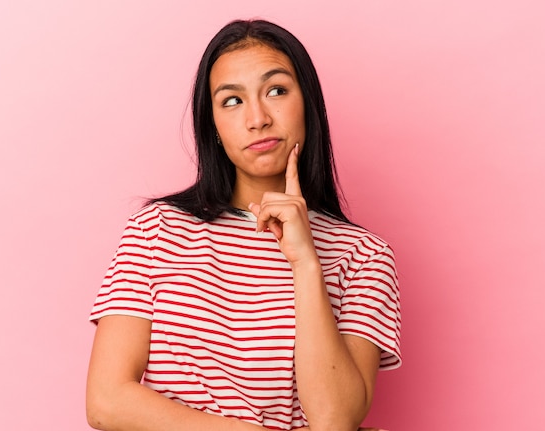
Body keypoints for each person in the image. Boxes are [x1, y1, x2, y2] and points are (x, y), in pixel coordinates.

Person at [86, 19, 401, 431]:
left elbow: (334, 420)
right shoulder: (156, 230)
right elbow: (106, 401)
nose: (257, 118)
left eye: (276, 91)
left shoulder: (364, 257)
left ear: (307, 103)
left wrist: (305, 262)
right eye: (232, 101)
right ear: (213, 126)